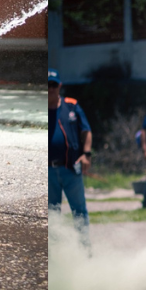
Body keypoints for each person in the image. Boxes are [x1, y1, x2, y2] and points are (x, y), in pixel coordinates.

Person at [49, 69, 91, 250]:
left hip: (70, 168)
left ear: (59, 86)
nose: (50, 89)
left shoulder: (71, 105)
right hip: (48, 172)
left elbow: (86, 130)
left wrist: (86, 154)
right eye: (47, 85)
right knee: (52, 214)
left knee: (79, 212)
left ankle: (85, 250)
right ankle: (54, 253)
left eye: (53, 85)